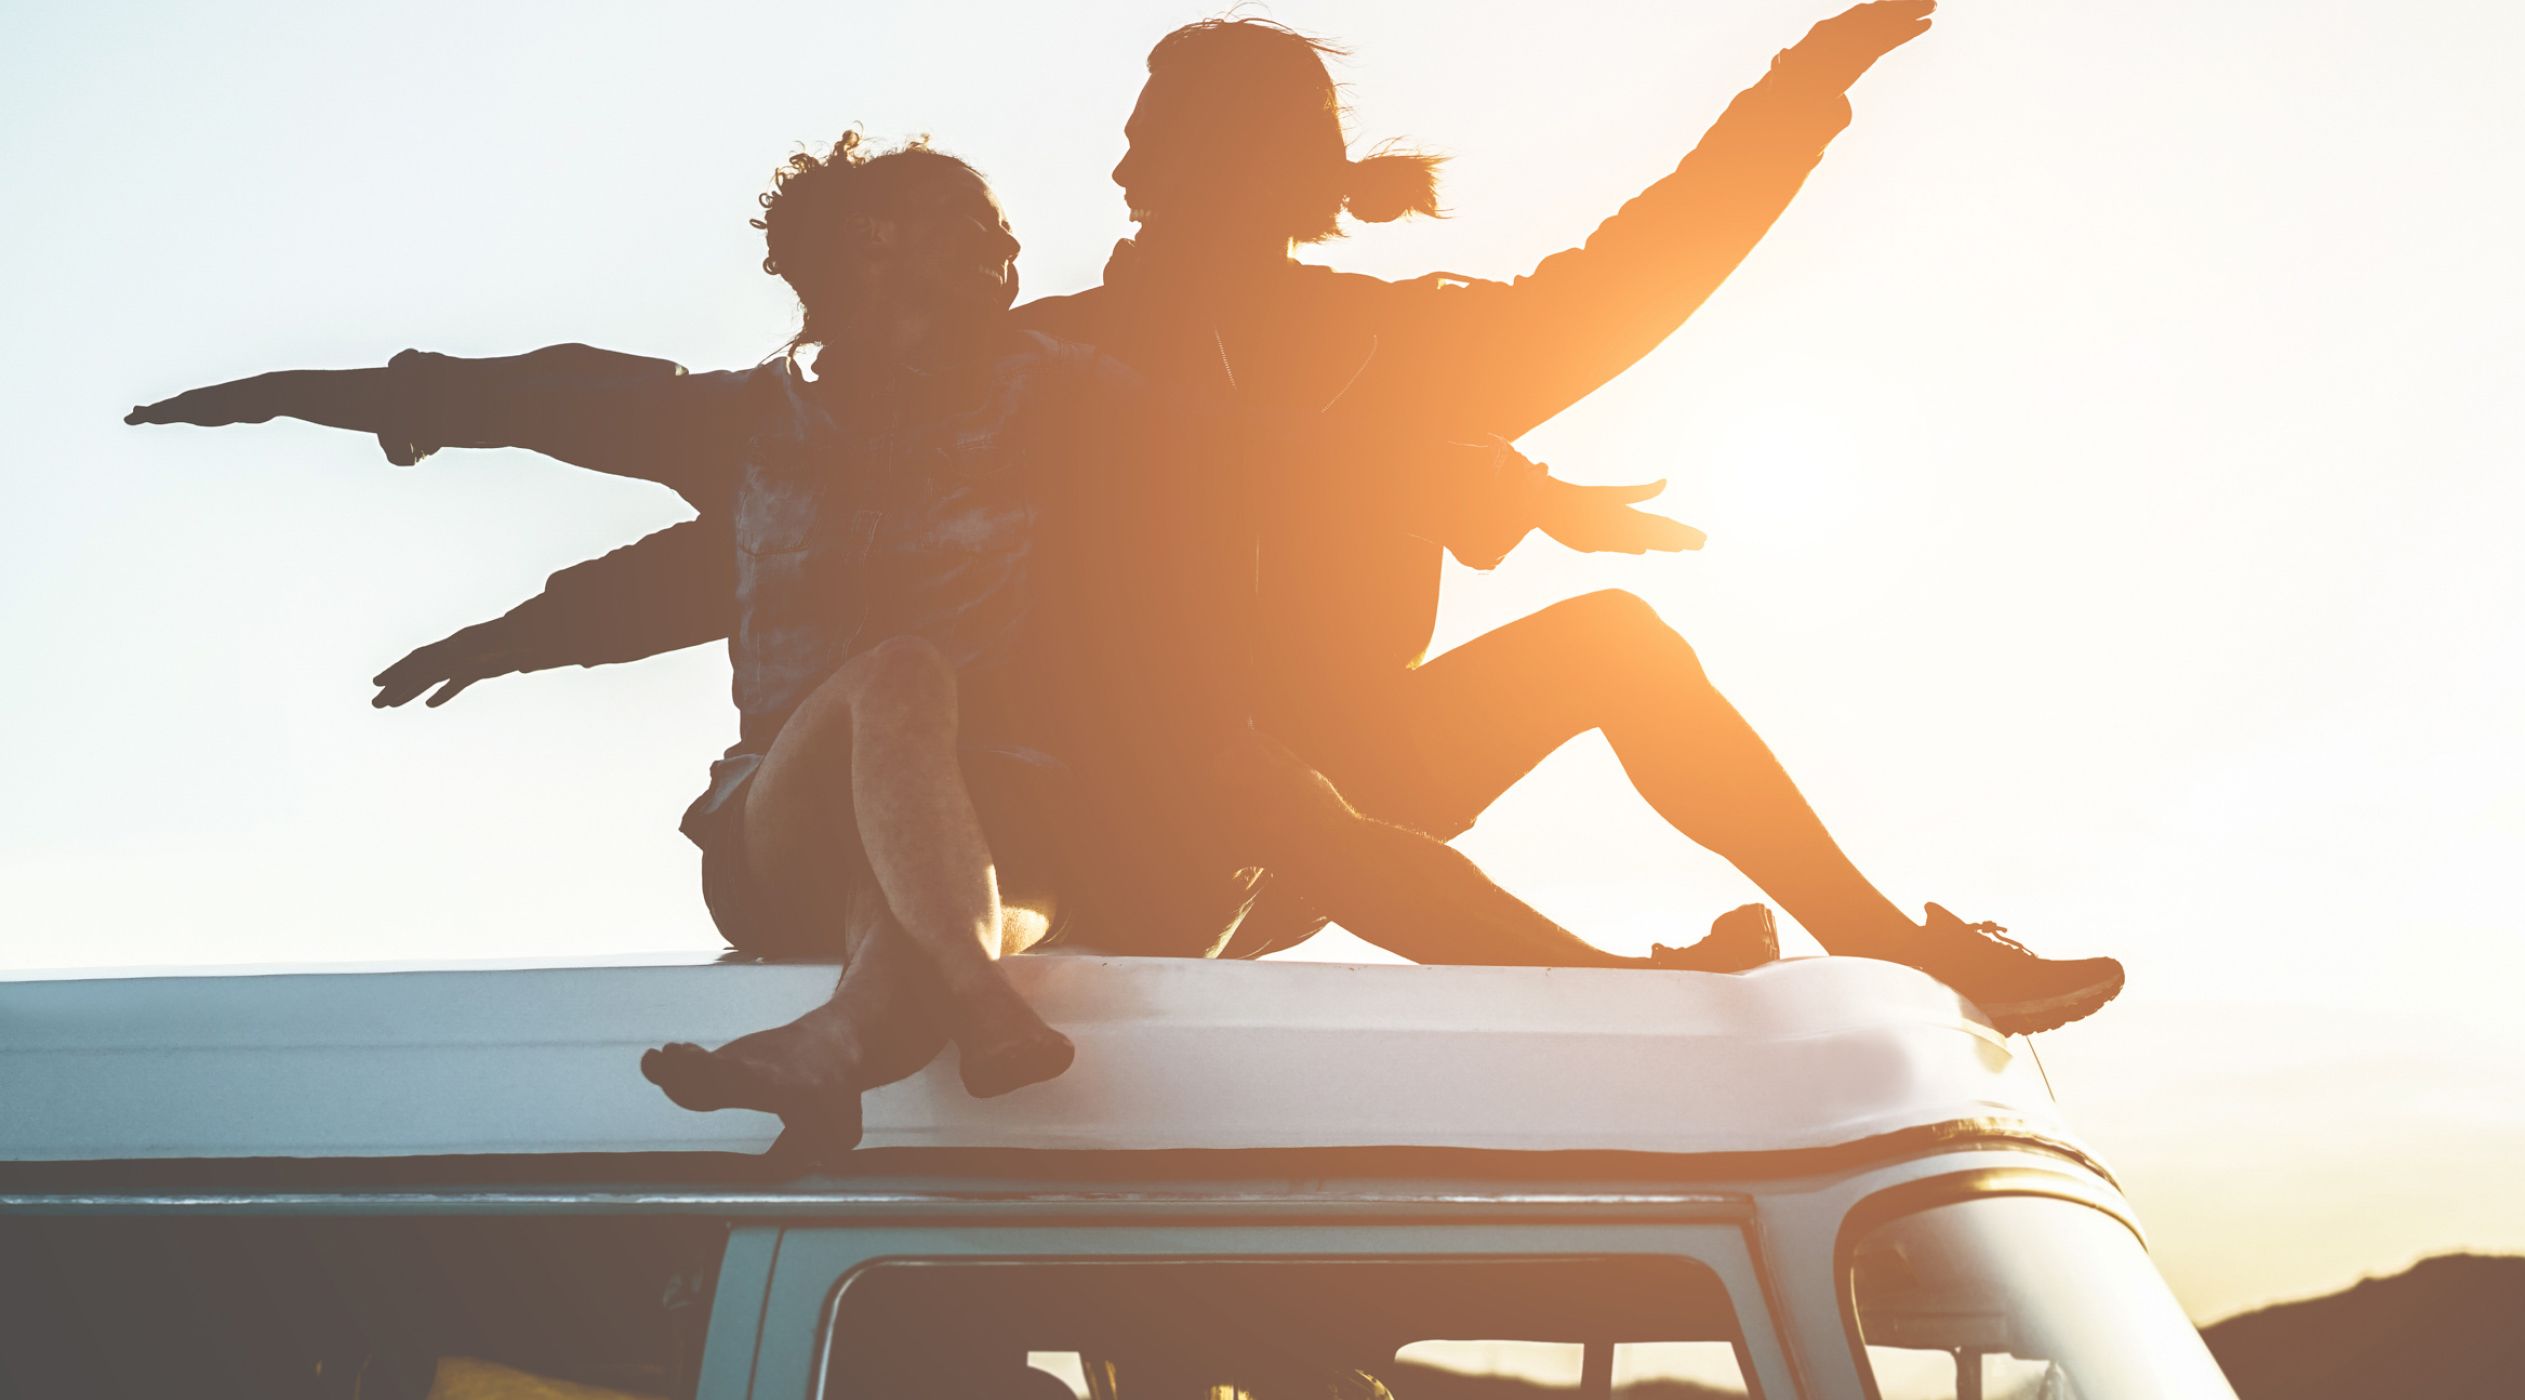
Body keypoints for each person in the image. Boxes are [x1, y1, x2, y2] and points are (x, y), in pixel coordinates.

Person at [363, 2, 2127, 1034]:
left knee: (1615, 652)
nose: (1125, 166)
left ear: (1263, 167)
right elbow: (790, 532)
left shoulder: (1403, 347)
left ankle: (1893, 946)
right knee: (1291, 774)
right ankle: (1618, 987)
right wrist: (535, 630)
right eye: (1132, 138)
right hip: (1135, 803)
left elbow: (1631, 281)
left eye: (1160, 136)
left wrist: (1797, 90)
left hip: (1345, 779)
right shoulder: (1041, 358)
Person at [127, 133, 1772, 1159]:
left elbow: (1283, 452)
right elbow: (493, 397)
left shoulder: (1065, 398)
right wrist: (285, 401)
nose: (922, 287)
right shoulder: (737, 423)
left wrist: (1530, 492)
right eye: (879, 263)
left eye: (960, 255)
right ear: (818, 285)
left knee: (1250, 820)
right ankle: (975, 1009)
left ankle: (846, 1046)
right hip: (770, 822)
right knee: (903, 680)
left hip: (999, 821)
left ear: (1001, 275)